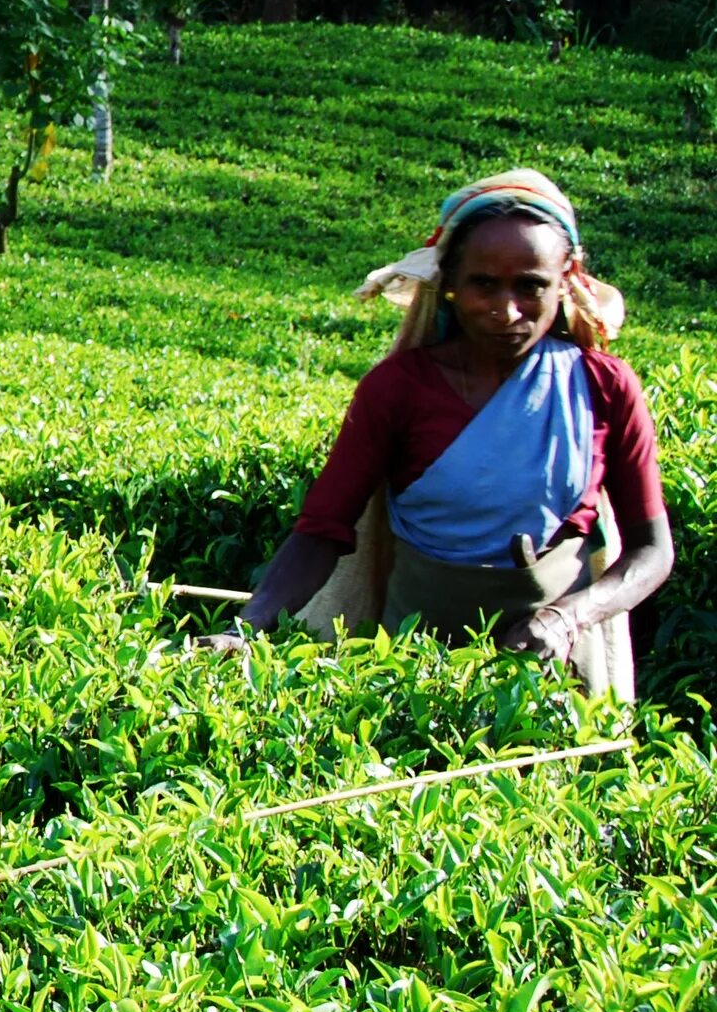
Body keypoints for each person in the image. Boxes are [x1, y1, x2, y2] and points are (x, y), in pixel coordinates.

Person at [220, 170, 671, 697]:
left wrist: (568, 617)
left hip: (556, 670)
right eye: (484, 284)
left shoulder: (604, 387)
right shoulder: (399, 389)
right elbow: (321, 530)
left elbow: (652, 550)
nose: (506, 311)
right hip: (411, 666)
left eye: (530, 286)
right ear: (450, 282)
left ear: (565, 278)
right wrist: (246, 628)